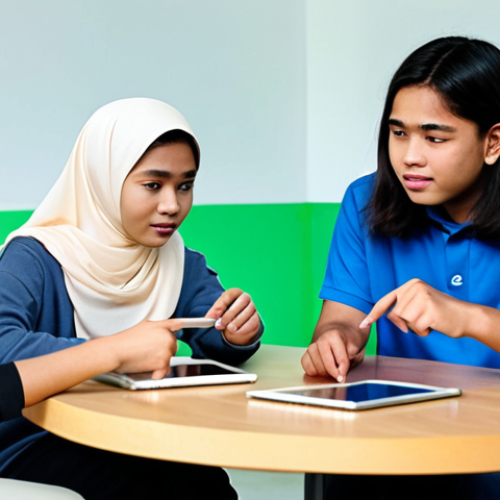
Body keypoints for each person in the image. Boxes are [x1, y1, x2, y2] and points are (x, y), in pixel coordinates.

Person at [0, 98, 263, 499]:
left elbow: (207, 326)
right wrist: (116, 349)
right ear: (103, 179)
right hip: (31, 438)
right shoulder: (33, 256)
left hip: (131, 432)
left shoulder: (175, 258)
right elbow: (4, 351)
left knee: (205, 485)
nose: (173, 205)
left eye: (186, 185)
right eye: (153, 185)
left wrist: (235, 333)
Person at [302, 36, 500, 499]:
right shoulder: (364, 201)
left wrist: (467, 317)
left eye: (434, 137)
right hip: (397, 446)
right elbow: (340, 317)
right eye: (398, 132)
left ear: (493, 142)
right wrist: (336, 340)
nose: (410, 156)